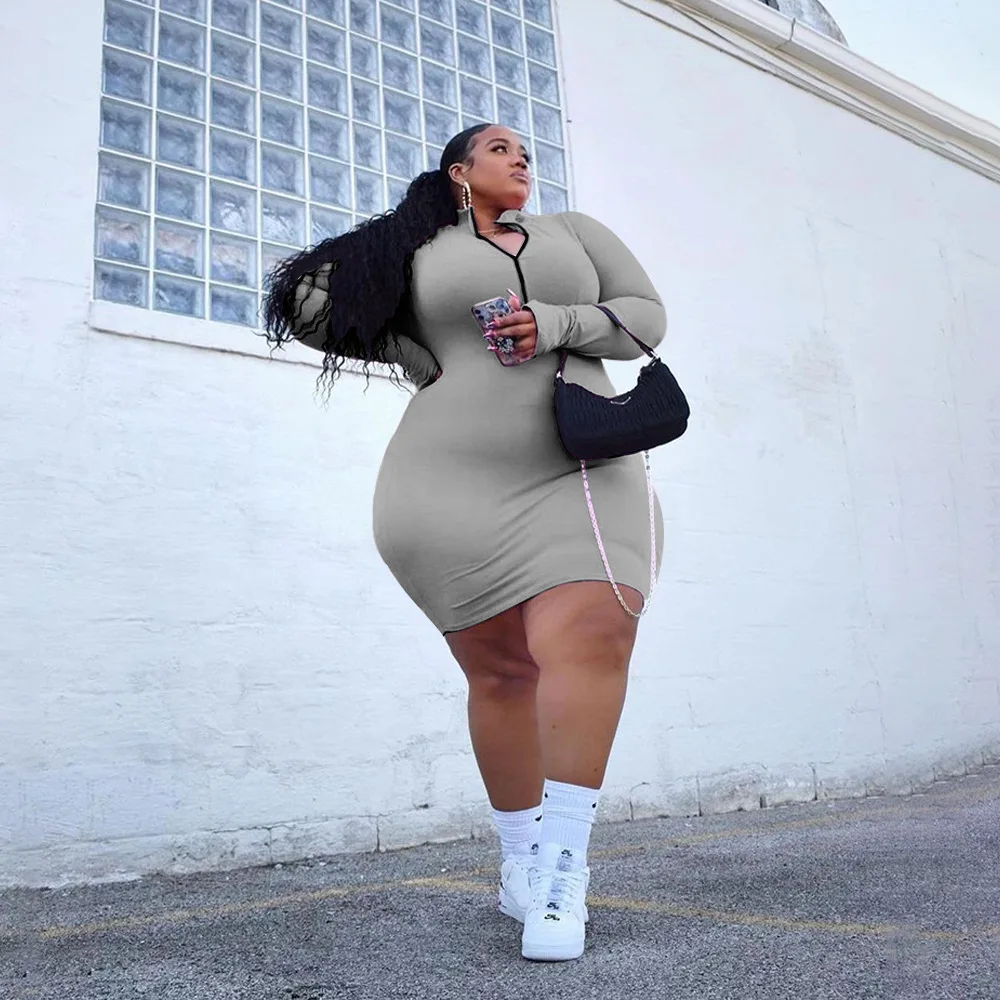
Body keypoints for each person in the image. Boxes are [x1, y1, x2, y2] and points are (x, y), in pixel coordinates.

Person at [262, 123, 666, 962]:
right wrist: (416, 355)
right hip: (445, 483)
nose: (521, 159)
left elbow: (645, 319)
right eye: (500, 148)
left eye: (527, 152)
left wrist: (555, 322)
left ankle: (561, 873)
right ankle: (519, 861)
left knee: (596, 629)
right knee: (503, 673)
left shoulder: (574, 233)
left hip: (582, 462)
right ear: (458, 171)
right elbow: (305, 300)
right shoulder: (416, 247)